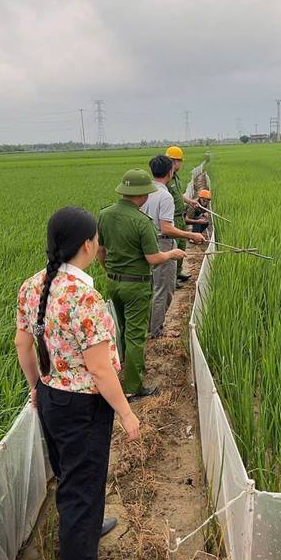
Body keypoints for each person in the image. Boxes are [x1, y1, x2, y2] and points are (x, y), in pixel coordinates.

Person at [15, 206, 140, 560]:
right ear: (88, 244)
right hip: (83, 407)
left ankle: (86, 524)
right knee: (81, 496)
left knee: (72, 482)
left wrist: (37, 386)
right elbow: (100, 370)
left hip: (53, 398)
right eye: (97, 239)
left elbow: (23, 344)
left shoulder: (34, 285)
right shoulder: (84, 298)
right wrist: (127, 414)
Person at [97, 169, 185, 398]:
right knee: (136, 335)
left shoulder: (105, 215)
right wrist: (173, 254)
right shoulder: (142, 222)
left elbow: (100, 250)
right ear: (142, 195)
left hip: (113, 283)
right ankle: (133, 387)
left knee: (124, 328)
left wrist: (109, 271)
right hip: (136, 286)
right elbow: (153, 258)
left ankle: (129, 368)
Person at [141, 155, 206, 338]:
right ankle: (156, 330)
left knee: (152, 287)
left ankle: (149, 326)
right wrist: (191, 234)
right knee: (164, 289)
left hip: (146, 242)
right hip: (162, 243)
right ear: (170, 172)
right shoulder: (165, 196)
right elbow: (166, 228)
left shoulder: (144, 192)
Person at [164, 146, 199, 285]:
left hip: (180, 218)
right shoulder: (166, 179)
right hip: (172, 218)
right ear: (173, 161)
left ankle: (178, 273)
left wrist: (190, 201)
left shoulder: (175, 178)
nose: (180, 164)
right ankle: (172, 279)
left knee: (182, 246)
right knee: (174, 248)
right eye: (179, 161)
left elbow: (179, 195)